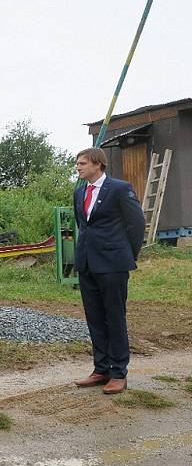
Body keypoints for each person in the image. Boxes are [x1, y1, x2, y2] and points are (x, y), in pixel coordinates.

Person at [73, 147, 145, 394]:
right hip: (87, 264)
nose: (78, 167)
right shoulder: (79, 191)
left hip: (112, 265)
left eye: (82, 163)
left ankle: (118, 373)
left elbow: (136, 224)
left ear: (98, 164)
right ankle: (101, 369)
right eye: (77, 163)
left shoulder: (119, 188)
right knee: (95, 318)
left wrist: (126, 255)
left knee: (114, 317)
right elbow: (84, 226)